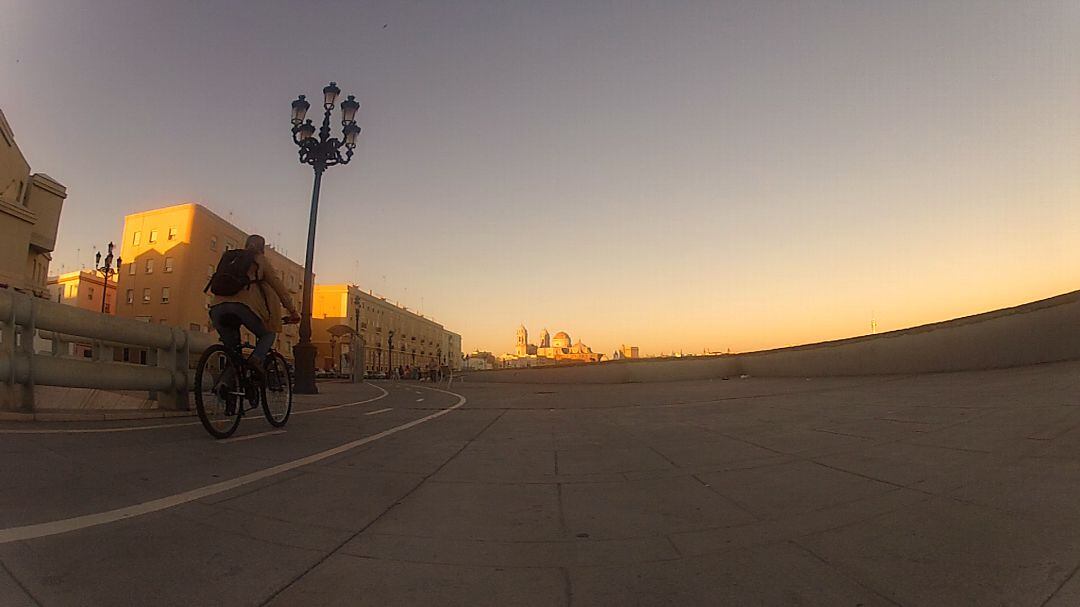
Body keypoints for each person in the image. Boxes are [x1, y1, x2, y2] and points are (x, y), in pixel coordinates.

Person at [208, 235, 300, 374]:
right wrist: (293, 311)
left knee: (233, 354)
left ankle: (225, 387)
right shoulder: (260, 260)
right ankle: (256, 360)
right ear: (262, 248)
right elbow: (278, 287)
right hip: (242, 307)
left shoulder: (231, 258)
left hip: (216, 308)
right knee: (269, 334)